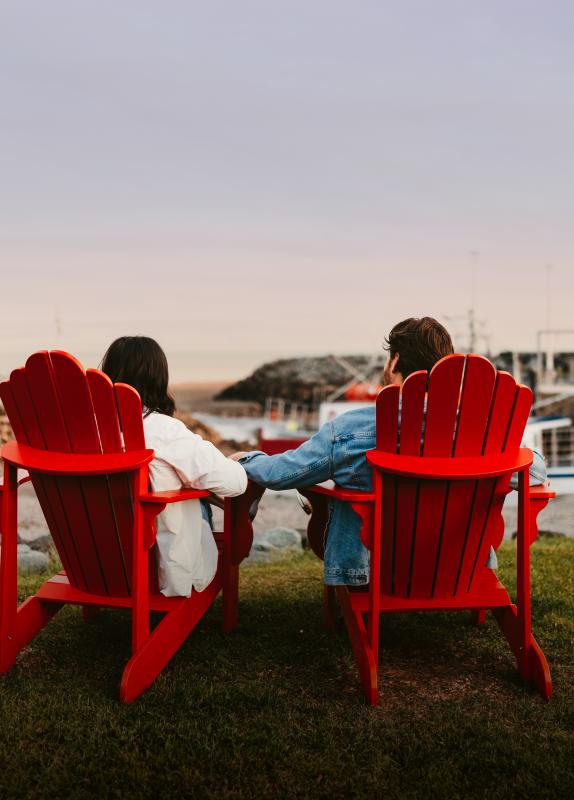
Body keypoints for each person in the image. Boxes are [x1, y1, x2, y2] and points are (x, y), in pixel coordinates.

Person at [232, 317, 547, 585]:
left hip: (371, 569)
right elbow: (536, 473)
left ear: (394, 361)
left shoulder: (352, 428)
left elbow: (283, 473)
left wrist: (246, 460)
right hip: (459, 569)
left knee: (323, 491)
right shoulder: (482, 431)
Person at [101, 336, 247, 597]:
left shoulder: (86, 433)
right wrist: (233, 464)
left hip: (99, 563)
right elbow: (234, 484)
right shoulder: (162, 429)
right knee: (214, 478)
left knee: (179, 476)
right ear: (159, 378)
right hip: (156, 567)